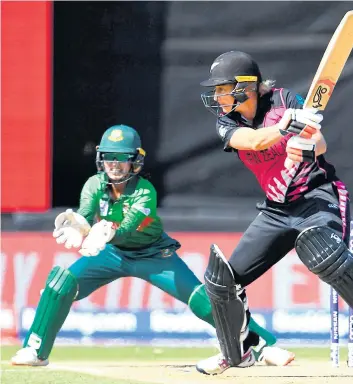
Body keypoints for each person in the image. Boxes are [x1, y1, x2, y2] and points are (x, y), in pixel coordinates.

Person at [196, 51, 353, 375]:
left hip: (317, 196)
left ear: (246, 87)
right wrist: (283, 130)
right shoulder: (227, 122)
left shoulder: (285, 100)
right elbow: (252, 141)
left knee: (321, 252)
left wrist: (307, 147)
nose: (217, 96)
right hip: (276, 209)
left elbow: (320, 142)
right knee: (222, 280)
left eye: (223, 88)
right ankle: (238, 351)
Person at [11, 124, 294, 367]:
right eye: (109, 157)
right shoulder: (94, 185)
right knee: (60, 284)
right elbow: (85, 213)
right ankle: (36, 351)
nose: (114, 164)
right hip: (110, 255)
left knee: (204, 303)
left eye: (121, 159)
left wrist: (107, 230)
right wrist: (80, 225)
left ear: (135, 161)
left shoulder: (145, 191)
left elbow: (129, 225)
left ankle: (263, 346)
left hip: (155, 256)